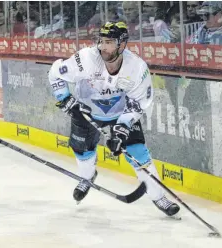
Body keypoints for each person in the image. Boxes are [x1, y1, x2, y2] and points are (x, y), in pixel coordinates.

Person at [48, 21, 180, 217]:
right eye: (101, 41)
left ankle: (159, 197)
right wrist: (66, 100)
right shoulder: (85, 59)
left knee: (138, 152)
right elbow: (55, 73)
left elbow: (139, 102)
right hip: (85, 111)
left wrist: (122, 128)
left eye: (109, 42)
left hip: (121, 113)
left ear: (122, 44)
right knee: (82, 151)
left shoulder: (136, 68)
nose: (103, 47)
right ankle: (87, 177)